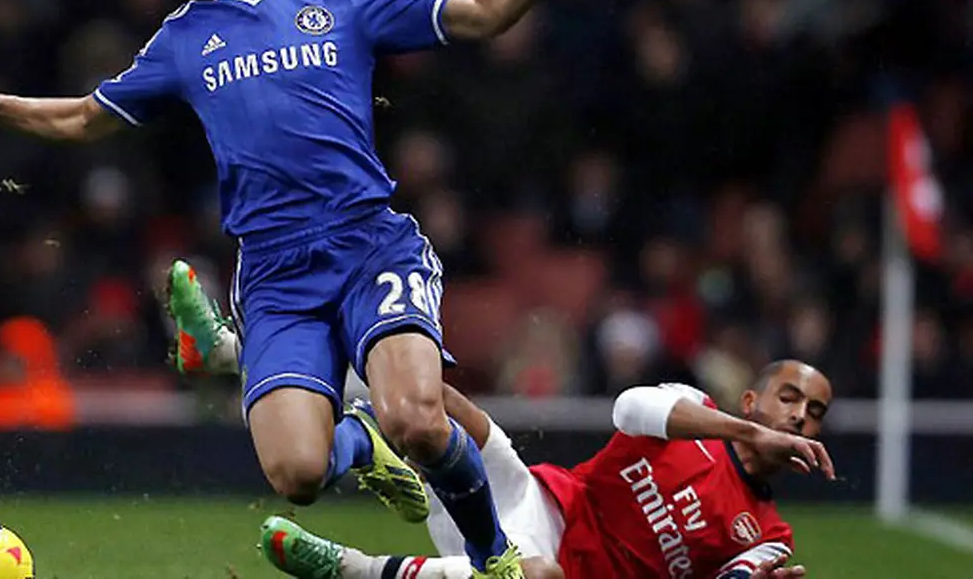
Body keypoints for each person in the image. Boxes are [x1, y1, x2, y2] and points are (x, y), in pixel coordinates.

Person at [0, 0, 600, 576]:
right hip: (275, 276)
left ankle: (493, 559)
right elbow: (85, 116)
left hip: (367, 246)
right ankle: (358, 443)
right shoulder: (187, 37)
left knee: (416, 418)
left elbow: (481, 13)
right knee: (297, 474)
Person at [164, 268, 832, 579]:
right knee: (437, 403)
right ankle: (230, 354)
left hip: (565, 578)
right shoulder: (699, 414)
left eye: (812, 412)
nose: (798, 415)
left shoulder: (769, 535)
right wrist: (742, 437)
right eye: (787, 398)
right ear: (750, 402)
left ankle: (353, 565)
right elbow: (628, 409)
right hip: (537, 501)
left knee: (533, 578)